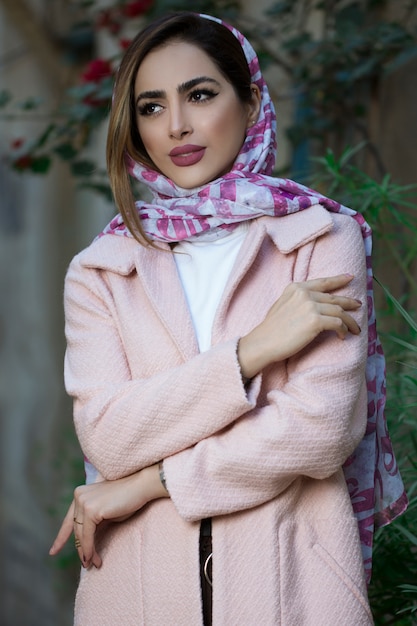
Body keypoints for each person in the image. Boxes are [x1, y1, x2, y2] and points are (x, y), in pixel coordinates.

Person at [49, 12, 407, 626]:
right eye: (151, 107)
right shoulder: (101, 270)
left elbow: (319, 430)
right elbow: (108, 435)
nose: (178, 125)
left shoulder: (321, 239)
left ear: (250, 102)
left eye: (201, 94)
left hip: (295, 585)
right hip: (138, 595)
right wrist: (251, 353)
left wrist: (146, 481)